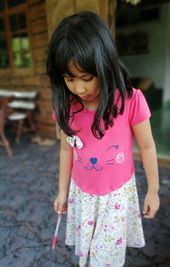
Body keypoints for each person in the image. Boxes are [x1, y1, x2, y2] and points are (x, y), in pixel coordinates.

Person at [47, 11, 160, 267]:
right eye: (69, 78)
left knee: (105, 260)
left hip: (116, 197)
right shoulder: (66, 106)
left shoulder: (131, 101)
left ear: (105, 65)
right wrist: (62, 190)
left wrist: (153, 190)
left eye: (87, 78)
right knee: (86, 255)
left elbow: (147, 145)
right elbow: (66, 150)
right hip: (82, 195)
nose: (79, 88)